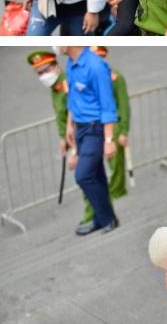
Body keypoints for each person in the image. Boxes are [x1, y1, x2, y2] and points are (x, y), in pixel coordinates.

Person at [62, 46, 119, 235]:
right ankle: (102, 219)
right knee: (96, 175)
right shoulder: (71, 62)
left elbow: (107, 105)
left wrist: (109, 139)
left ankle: (106, 218)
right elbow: (73, 97)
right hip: (80, 126)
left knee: (83, 175)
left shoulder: (96, 67)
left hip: (95, 128)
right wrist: (70, 125)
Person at [90, 46, 131, 203]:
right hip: (96, 124)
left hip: (114, 125)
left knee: (115, 164)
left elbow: (124, 105)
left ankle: (116, 192)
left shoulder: (115, 77)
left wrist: (124, 131)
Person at [27, 50, 69, 151]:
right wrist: (63, 138)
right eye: (40, 73)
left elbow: (77, 116)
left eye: (46, 70)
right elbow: (61, 116)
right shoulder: (55, 88)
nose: (44, 76)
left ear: (56, 66)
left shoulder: (67, 84)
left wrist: (75, 150)